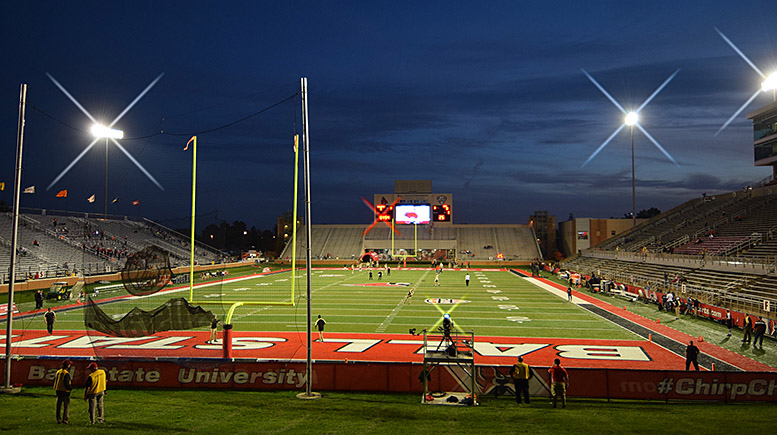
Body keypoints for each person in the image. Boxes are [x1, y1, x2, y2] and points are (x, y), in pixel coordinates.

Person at [53, 360, 73, 424]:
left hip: (58, 390)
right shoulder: (66, 373)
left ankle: (58, 419)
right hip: (65, 391)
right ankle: (65, 419)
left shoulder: (58, 371)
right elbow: (66, 383)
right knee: (66, 406)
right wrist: (70, 388)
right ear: (68, 366)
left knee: (58, 406)